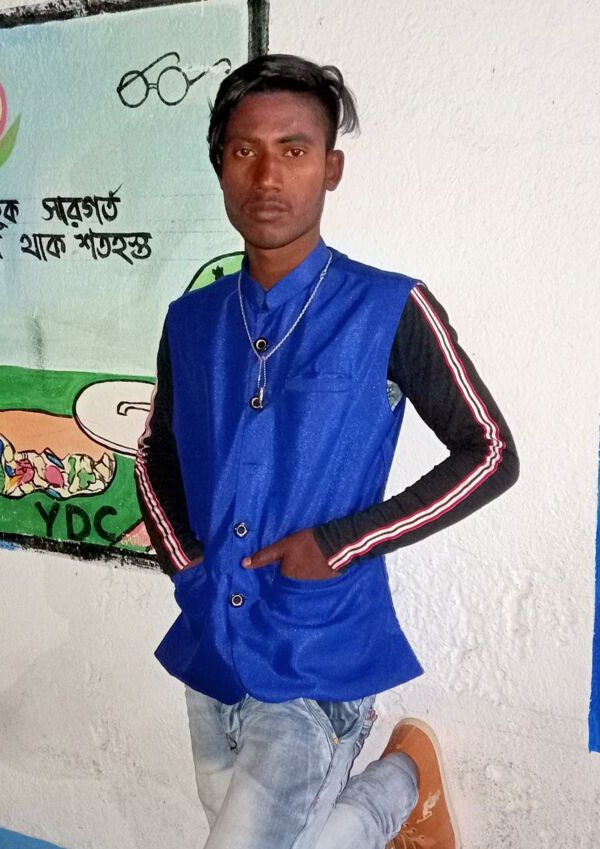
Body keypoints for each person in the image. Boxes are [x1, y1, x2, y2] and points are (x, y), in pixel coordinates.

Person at [135, 54, 519, 849]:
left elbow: (488, 451)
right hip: (212, 643)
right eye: (245, 150)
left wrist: (339, 542)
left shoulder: (388, 306)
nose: (267, 175)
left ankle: (399, 783)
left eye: (295, 148)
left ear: (331, 168)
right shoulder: (191, 319)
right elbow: (154, 456)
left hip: (317, 648)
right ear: (220, 165)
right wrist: (190, 568)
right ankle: (406, 786)